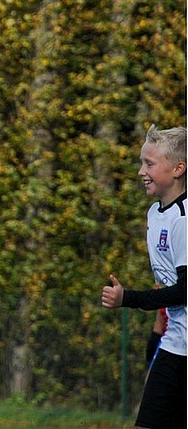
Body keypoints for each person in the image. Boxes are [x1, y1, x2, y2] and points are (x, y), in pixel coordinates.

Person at [101, 125, 185, 429]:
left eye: (149, 164)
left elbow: (184, 291)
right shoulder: (154, 213)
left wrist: (129, 298)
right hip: (176, 344)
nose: (141, 172)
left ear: (178, 169)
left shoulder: (183, 219)